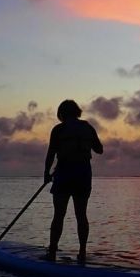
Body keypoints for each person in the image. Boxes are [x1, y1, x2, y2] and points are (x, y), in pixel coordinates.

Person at [43, 99, 103, 264]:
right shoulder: (88, 128)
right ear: (77, 112)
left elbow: (50, 154)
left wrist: (46, 174)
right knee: (81, 215)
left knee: (59, 215)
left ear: (61, 114)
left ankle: (52, 251)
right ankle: (82, 252)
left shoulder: (58, 130)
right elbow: (100, 150)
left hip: (64, 175)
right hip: (83, 175)